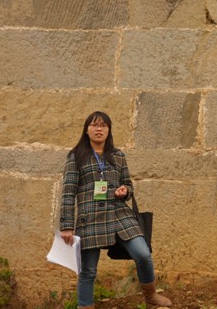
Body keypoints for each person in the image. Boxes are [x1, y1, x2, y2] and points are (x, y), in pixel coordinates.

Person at [59, 111, 172, 309]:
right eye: (94, 125)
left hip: (119, 214)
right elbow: (68, 193)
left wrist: (125, 190)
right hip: (90, 218)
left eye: (103, 125)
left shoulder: (118, 156)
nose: (99, 129)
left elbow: (128, 184)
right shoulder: (76, 156)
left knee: (143, 254)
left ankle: (151, 295)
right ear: (87, 130)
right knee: (88, 271)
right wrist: (67, 226)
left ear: (109, 130)